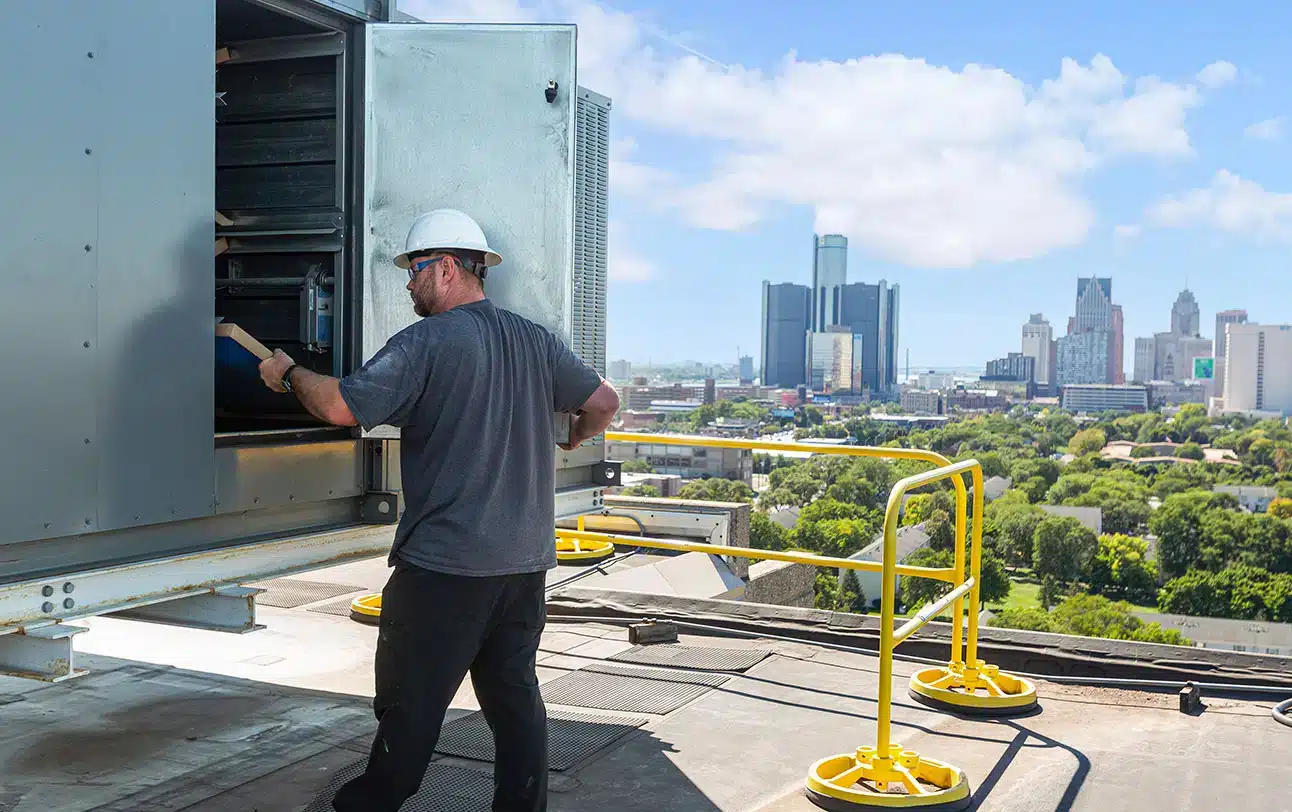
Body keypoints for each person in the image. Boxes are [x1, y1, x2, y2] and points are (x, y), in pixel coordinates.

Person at [257, 208, 620, 812]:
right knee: (515, 702)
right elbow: (604, 400)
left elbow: (341, 407)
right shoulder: (534, 339)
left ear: (447, 268)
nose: (407, 282)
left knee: (411, 714)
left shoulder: (427, 343)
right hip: (522, 566)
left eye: (414, 268)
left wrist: (288, 371)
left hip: (445, 571)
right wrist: (576, 437)